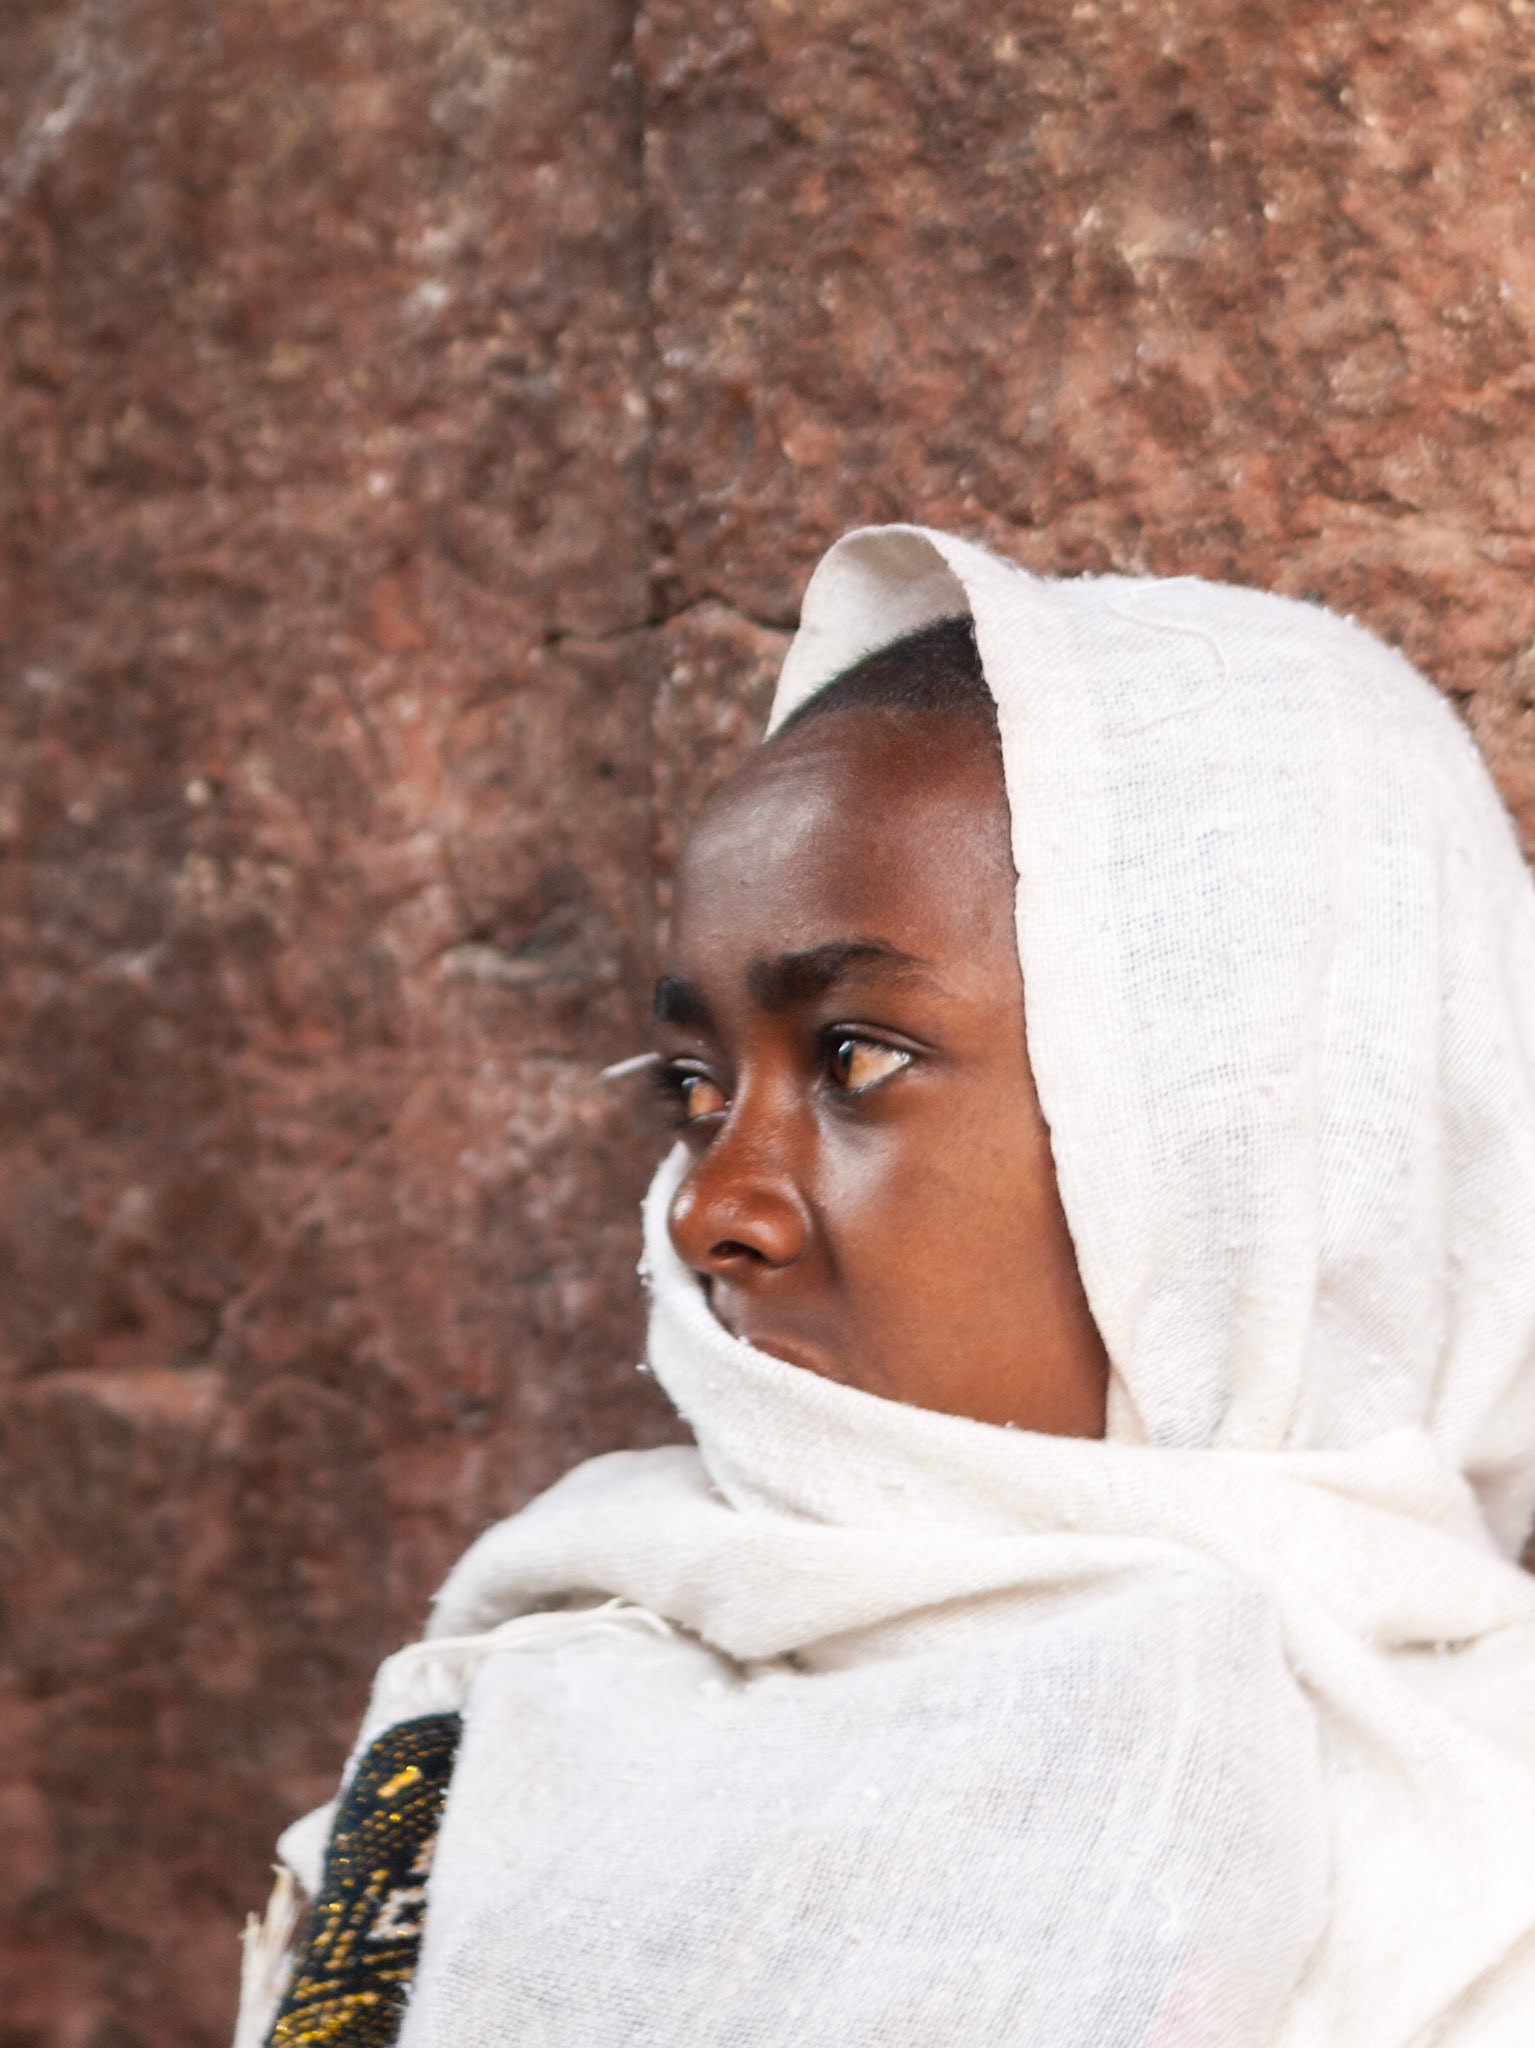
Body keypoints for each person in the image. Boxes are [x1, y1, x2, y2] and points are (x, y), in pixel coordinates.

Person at [237, 525, 1535, 2047]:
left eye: (854, 1057)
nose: (710, 1210)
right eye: (694, 1088)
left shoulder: (1485, 1874)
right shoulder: (517, 1720)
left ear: (1252, 1139)